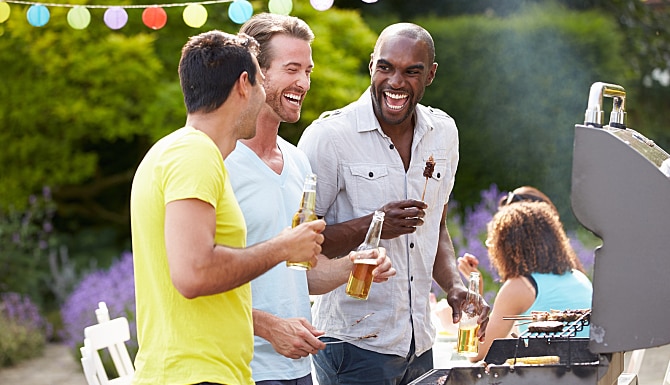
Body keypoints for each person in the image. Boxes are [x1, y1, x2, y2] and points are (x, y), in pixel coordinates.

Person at [297, 22, 490, 384]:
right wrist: (375, 225)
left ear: (430, 74)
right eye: (386, 67)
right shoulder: (329, 137)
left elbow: (437, 228)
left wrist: (454, 287)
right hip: (352, 346)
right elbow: (301, 246)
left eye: (411, 72)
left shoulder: (444, 133)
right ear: (372, 66)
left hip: (420, 344)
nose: (396, 82)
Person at [129, 30, 325, 385]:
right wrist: (283, 247)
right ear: (243, 85)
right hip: (195, 373)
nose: (264, 95)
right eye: (261, 84)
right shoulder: (195, 154)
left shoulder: (177, 151)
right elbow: (194, 273)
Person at [224, 14, 396, 385]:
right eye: (291, 69)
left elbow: (305, 274)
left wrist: (354, 264)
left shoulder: (299, 162)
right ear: (254, 72)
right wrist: (269, 327)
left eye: (308, 70)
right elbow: (198, 279)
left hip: (299, 370)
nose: (304, 83)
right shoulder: (219, 161)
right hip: (240, 370)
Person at [458, 201, 593, 362]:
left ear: (506, 248)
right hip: (589, 371)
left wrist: (475, 288)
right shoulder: (578, 277)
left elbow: (476, 353)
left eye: (492, 244)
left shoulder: (520, 287)